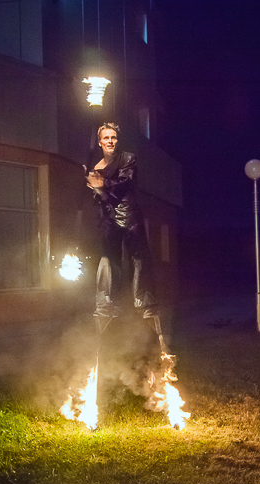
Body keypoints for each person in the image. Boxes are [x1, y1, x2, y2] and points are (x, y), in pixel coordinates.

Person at [85, 123, 161, 339]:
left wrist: (101, 183)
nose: (110, 141)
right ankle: (108, 304)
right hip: (108, 219)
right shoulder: (96, 166)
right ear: (100, 142)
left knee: (139, 259)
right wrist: (95, 187)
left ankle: (144, 303)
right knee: (108, 262)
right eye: (106, 138)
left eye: (114, 137)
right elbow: (100, 197)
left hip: (129, 217)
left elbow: (124, 183)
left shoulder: (128, 158)